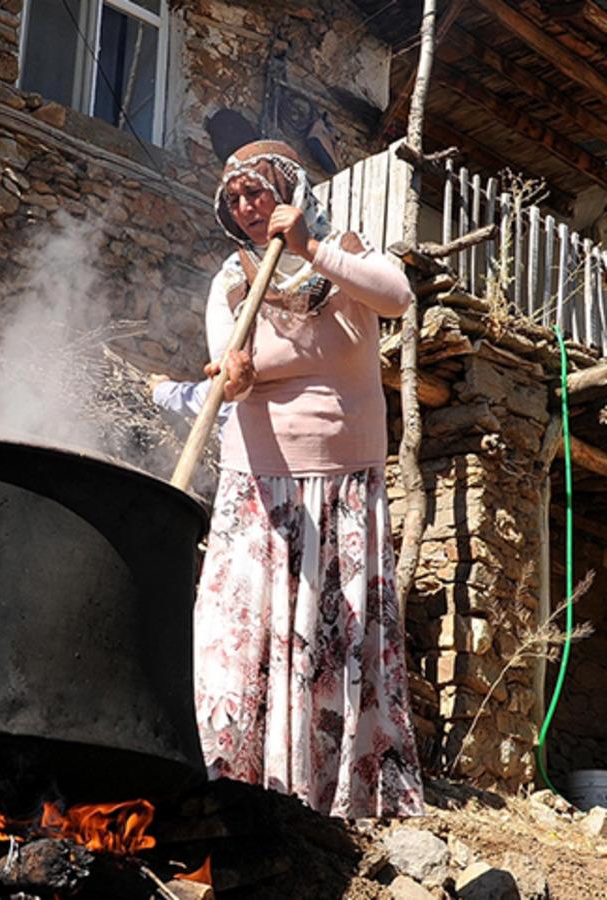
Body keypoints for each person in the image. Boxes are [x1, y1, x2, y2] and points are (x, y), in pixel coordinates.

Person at [193, 139, 423, 819]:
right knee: (241, 633)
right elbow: (227, 369)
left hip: (342, 483)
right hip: (257, 486)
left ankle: (329, 792)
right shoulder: (232, 280)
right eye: (235, 198)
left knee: (330, 639)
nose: (246, 206)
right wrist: (233, 375)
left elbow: (398, 298)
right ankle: (235, 777)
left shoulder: (346, 250)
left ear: (291, 193)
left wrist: (311, 250)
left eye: (257, 192)